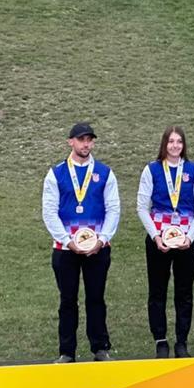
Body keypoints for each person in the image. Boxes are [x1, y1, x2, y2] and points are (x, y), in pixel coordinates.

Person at [42, 122, 120, 363]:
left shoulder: (105, 172)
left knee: (96, 297)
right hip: (66, 249)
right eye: (81, 140)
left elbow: (113, 208)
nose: (86, 144)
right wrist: (67, 241)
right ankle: (67, 352)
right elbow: (49, 211)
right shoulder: (56, 173)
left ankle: (100, 348)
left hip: (97, 248)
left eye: (89, 140)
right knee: (68, 300)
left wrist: (102, 239)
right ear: (71, 142)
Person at [137, 126, 194, 358]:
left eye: (179, 142)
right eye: (170, 142)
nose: (175, 146)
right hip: (159, 239)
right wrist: (156, 236)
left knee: (184, 292)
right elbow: (142, 207)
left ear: (184, 145)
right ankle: (160, 341)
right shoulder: (152, 170)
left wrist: (191, 236)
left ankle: (181, 342)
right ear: (164, 145)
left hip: (187, 240)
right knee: (157, 291)